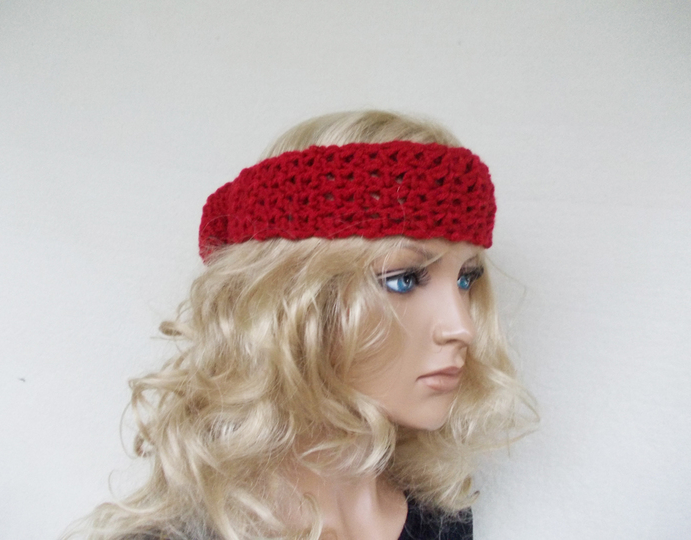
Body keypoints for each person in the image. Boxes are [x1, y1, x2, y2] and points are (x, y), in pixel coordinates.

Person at [65, 110, 535, 540]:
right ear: (293, 300)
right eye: (404, 280)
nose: (462, 327)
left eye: (466, 278)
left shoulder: (441, 519)